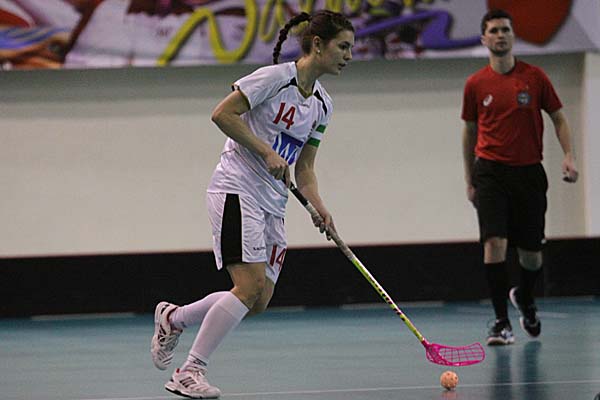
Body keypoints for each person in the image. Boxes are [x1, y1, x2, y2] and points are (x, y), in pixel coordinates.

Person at [150, 10, 354, 398]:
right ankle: (189, 371)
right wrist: (265, 151)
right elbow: (222, 114)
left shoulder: (323, 105)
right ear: (317, 44)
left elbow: (305, 167)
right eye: (343, 47)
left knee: (257, 300)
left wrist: (319, 206)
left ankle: (174, 318)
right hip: (236, 188)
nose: (348, 56)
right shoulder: (274, 79)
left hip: (273, 202)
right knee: (247, 286)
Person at [461, 9, 579, 346]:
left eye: (506, 30)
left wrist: (569, 155)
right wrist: (470, 179)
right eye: (494, 30)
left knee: (531, 255)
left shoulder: (535, 77)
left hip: (529, 173)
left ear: (513, 36)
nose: (500, 35)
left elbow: (559, 118)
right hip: (490, 172)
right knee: (494, 244)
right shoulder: (475, 84)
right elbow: (469, 132)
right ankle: (501, 322)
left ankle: (525, 297)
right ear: (484, 39)